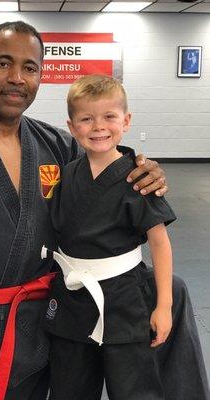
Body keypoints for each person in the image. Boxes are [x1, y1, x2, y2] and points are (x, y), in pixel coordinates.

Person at [0, 21, 173, 400]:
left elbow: (109, 163)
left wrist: (145, 167)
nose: (17, 77)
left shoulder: (57, 145)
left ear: (40, 76)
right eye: (3, 63)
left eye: (29, 67)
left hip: (49, 320)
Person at [43, 75, 210, 400]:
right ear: (72, 125)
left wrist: (164, 305)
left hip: (124, 300)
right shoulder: (67, 175)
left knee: (134, 388)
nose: (98, 127)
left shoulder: (138, 178)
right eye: (87, 119)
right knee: (69, 387)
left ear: (126, 121)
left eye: (109, 117)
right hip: (73, 299)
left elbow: (160, 243)